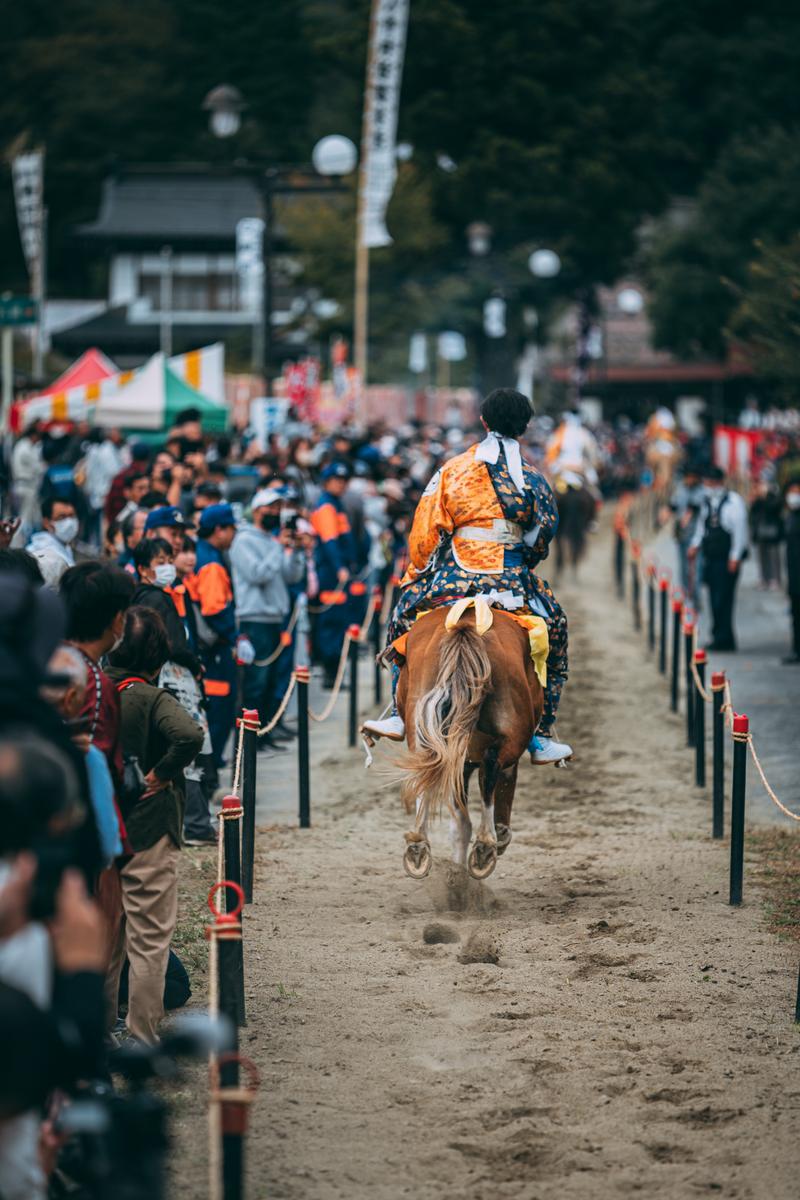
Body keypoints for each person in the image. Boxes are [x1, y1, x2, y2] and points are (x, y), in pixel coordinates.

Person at [363, 389, 572, 764]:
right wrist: (523, 559)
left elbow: (425, 532)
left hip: (453, 577)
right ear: (524, 427)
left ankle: (397, 712)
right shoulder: (533, 479)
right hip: (511, 581)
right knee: (555, 628)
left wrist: (417, 571)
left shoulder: (452, 470)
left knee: (401, 619)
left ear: (483, 421)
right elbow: (543, 534)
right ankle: (542, 732)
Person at [105, 607, 203, 1043]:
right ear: (158, 656)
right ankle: (142, 1037)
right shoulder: (151, 698)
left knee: (107, 938)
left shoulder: (94, 690)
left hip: (105, 828)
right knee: (148, 940)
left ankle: (101, 1031)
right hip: (148, 829)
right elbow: (189, 735)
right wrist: (161, 774)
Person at [230, 487, 305, 749]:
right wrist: (278, 548)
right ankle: (249, 742)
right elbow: (257, 575)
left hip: (275, 618)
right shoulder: (243, 541)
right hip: (254, 619)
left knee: (272, 679)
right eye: (270, 508)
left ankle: (265, 733)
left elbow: (291, 576)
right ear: (256, 510)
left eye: (277, 508)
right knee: (256, 682)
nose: (274, 512)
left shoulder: (272, 541)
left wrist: (296, 552)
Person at [194, 503, 240, 765]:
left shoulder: (204, 553)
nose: (234, 534)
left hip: (209, 646)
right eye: (232, 528)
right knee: (220, 706)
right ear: (219, 529)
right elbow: (214, 608)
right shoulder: (210, 561)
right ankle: (211, 764)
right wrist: (234, 636)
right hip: (215, 647)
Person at [688, 465, 749, 652]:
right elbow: (702, 527)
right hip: (711, 557)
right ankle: (718, 635)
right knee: (714, 597)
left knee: (723, 598)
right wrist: (695, 544)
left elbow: (740, 531)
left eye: (711, 483)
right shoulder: (707, 502)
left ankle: (725, 638)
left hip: (726, 558)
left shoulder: (734, 502)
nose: (708, 486)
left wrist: (735, 556)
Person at [311, 462, 357, 688]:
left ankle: (335, 672)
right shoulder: (327, 506)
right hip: (330, 574)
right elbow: (330, 541)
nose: (341, 484)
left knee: (338, 622)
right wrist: (339, 567)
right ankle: (331, 674)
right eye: (337, 480)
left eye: (344, 481)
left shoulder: (336, 504)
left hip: (335, 572)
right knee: (331, 622)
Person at [669, 463, 705, 610]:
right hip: (682, 535)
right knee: (683, 568)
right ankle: (684, 596)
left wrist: (687, 516)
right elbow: (673, 504)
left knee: (696, 570)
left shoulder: (702, 491)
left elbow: (694, 507)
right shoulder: (680, 489)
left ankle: (695, 598)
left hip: (695, 536)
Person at [26, 495, 80, 585]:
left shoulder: (64, 547)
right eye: (62, 517)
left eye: (72, 516)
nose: (69, 523)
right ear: (47, 523)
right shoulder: (41, 551)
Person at [749, 478, 783, 590]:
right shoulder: (757, 498)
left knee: (774, 556)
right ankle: (764, 579)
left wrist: (765, 496)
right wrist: (756, 498)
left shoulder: (774, 496)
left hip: (773, 532)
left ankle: (775, 579)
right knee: (762, 557)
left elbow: (773, 508)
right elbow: (753, 513)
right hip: (760, 531)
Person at [782, 476, 800, 665]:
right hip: (794, 575)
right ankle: (797, 649)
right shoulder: (790, 516)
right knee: (796, 614)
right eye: (792, 492)